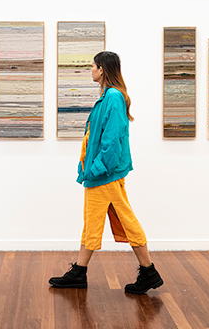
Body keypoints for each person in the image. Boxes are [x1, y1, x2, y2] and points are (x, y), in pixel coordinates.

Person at [49, 51, 163, 294]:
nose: (90, 70)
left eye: (93, 66)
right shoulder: (108, 96)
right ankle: (81, 272)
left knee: (126, 219)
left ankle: (148, 271)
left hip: (105, 175)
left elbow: (112, 141)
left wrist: (96, 168)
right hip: (98, 174)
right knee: (95, 220)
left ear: (102, 69)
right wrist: (87, 168)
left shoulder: (112, 97)